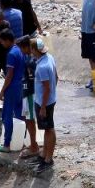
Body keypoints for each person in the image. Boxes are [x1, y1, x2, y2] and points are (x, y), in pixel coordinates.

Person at [0, 31, 26, 155]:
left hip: (12, 88)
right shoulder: (19, 51)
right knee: (19, 115)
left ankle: (7, 144)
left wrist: (2, 91)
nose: (1, 44)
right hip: (20, 87)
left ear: (7, 40)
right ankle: (20, 142)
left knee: (7, 116)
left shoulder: (12, 53)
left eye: (2, 41)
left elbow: (9, 75)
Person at [32, 38, 58, 174]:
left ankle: (48, 158)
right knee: (46, 129)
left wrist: (42, 107)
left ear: (34, 50)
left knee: (49, 129)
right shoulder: (49, 58)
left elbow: (46, 88)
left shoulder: (42, 67)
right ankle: (44, 154)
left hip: (44, 102)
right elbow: (56, 77)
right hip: (48, 100)